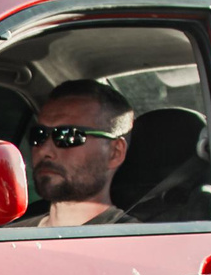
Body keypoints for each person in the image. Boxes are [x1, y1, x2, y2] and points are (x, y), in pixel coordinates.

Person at [17, 79, 134, 226]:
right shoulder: (8, 238)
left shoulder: (140, 245)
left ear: (114, 152)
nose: (44, 150)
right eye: (39, 135)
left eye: (68, 136)